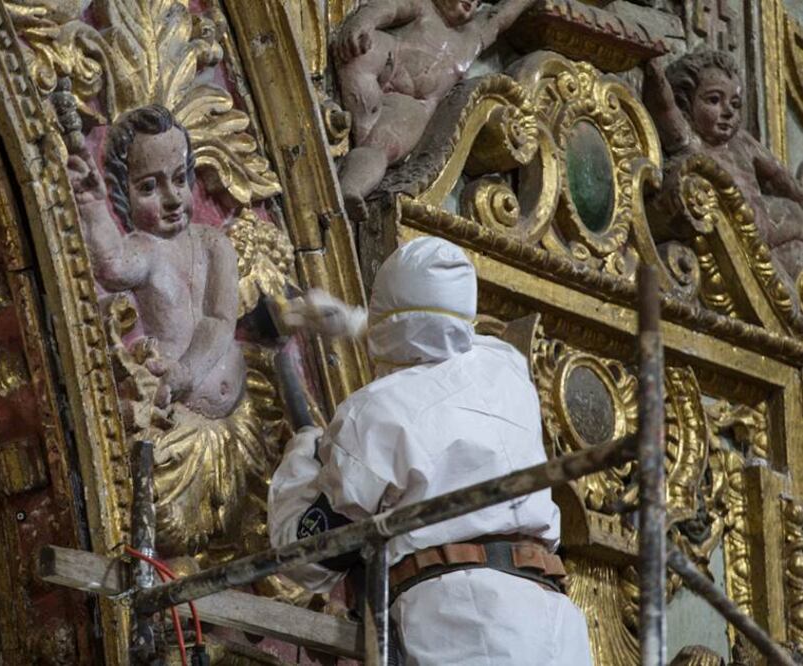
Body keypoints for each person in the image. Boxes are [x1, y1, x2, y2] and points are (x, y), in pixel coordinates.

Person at [268, 237, 593, 665]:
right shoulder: (507, 369)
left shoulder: (373, 412)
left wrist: (302, 453)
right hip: (552, 622)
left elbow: (305, 553)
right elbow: (442, 337)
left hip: (464, 624)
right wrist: (354, 322)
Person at [67, 104, 245, 420]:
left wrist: (187, 372)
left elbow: (220, 319)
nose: (173, 198)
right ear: (122, 193)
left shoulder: (214, 244)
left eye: (179, 179)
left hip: (234, 418)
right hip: (176, 416)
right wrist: (93, 206)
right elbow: (112, 266)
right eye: (149, 187)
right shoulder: (146, 248)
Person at [334, 0, 538, 218]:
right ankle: (357, 119)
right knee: (366, 48)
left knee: (381, 146)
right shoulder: (424, 6)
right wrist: (363, 21)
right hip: (387, 62)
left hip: (412, 103)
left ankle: (351, 187)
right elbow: (389, 8)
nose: (473, 2)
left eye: (479, 1)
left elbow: (503, 15)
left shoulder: (475, 34)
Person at [644, 49, 803, 282]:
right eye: (714, 100)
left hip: (764, 224)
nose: (728, 112)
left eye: (735, 104)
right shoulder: (691, 141)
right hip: (727, 233)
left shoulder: (742, 142)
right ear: (685, 104)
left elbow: (780, 179)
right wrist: (652, 66)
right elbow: (663, 106)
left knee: (797, 223)